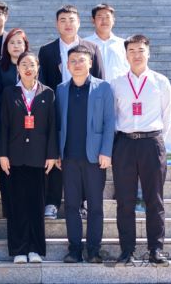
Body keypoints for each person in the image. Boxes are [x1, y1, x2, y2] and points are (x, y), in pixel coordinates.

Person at [110, 34, 171, 265]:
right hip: (124, 144)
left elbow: (167, 115)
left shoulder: (161, 82)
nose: (136, 55)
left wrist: (156, 140)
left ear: (149, 53)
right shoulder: (116, 83)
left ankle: (156, 249)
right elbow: (112, 116)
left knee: (154, 199)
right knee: (124, 200)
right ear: (126, 55)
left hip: (151, 143)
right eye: (132, 51)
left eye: (141, 50)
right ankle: (127, 250)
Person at [38, 5, 105, 220]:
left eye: (71, 20)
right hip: (58, 108)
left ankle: (83, 201)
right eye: (63, 20)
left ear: (79, 23)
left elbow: (100, 79)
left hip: (85, 110)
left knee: (83, 154)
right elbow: (43, 83)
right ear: (56, 24)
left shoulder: (92, 48)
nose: (68, 24)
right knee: (56, 151)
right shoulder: (47, 50)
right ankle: (52, 201)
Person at [55, 45, 115, 264]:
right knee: (71, 206)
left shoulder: (103, 88)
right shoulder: (61, 89)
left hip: (94, 158)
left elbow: (110, 121)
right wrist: (57, 152)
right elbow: (58, 124)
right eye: (73, 61)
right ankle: (74, 250)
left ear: (90, 63)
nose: (77, 64)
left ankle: (93, 250)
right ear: (67, 65)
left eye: (81, 60)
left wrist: (106, 151)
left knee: (95, 206)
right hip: (69, 157)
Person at [0, 52, 57, 264]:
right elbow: (3, 125)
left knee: (36, 205)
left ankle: (35, 249)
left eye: (31, 64)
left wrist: (52, 154)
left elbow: (52, 127)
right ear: (18, 68)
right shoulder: (9, 93)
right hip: (14, 157)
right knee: (17, 206)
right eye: (23, 64)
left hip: (38, 157)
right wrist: (2, 154)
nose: (28, 68)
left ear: (38, 67)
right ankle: (19, 249)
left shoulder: (47, 93)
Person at [0, 27, 29, 208]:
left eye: (19, 42)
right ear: (6, 46)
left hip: (29, 124)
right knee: (7, 162)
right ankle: (7, 202)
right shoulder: (0, 68)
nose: (16, 46)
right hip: (7, 122)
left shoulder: (33, 66)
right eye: (12, 43)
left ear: (25, 45)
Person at [84, 4, 130, 82]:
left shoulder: (123, 44)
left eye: (107, 17)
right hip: (92, 88)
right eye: (100, 17)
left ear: (113, 20)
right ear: (93, 20)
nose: (104, 21)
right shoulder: (85, 44)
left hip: (118, 88)